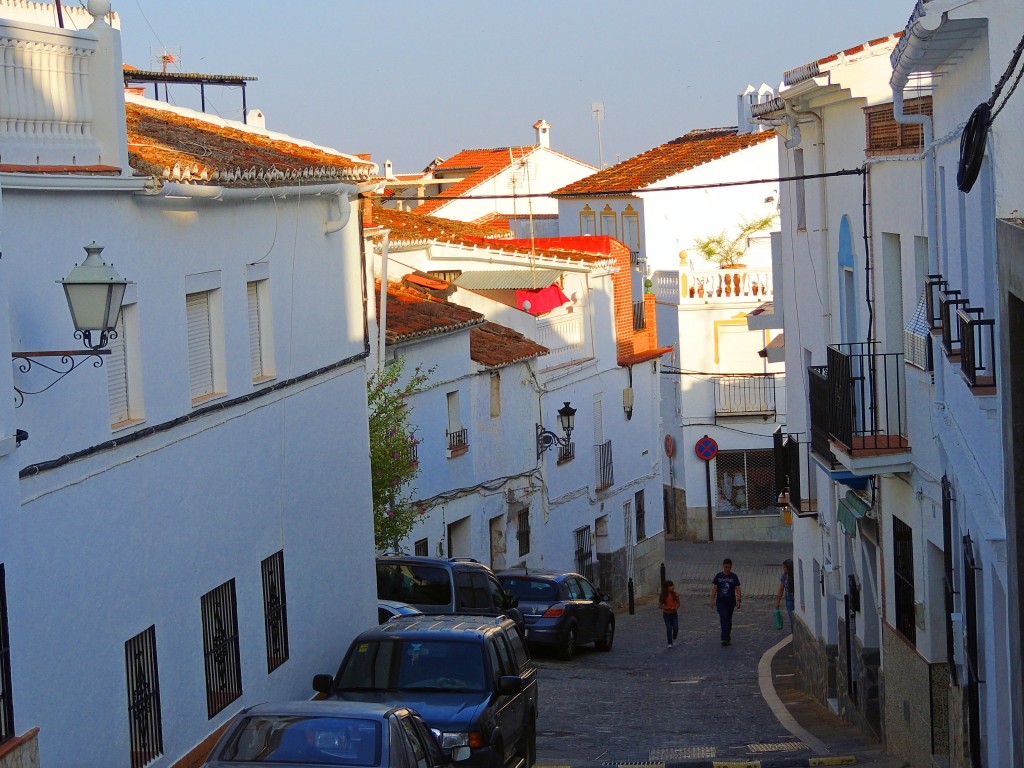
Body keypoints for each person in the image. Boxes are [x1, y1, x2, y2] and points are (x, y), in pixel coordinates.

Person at [710, 558, 741, 646]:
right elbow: (714, 588)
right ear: (723, 566)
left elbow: (738, 589)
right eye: (726, 567)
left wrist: (739, 600)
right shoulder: (719, 576)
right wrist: (712, 600)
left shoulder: (734, 577)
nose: (727, 569)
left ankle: (727, 636)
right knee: (723, 618)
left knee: (728, 620)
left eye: (729, 567)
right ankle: (724, 638)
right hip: (720, 602)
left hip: (730, 602)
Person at [659, 580, 680, 647]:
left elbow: (678, 603)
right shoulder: (663, 596)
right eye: (671, 586)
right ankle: (669, 643)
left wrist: (675, 607)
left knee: (676, 628)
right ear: (667, 588)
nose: (673, 587)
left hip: (674, 614)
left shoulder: (675, 594)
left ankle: (674, 637)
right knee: (669, 628)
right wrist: (666, 607)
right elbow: (660, 605)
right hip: (666, 615)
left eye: (672, 585)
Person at [775, 558, 795, 632]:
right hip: (789, 601)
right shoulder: (784, 576)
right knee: (792, 620)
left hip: (796, 600)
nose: (783, 569)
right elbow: (781, 589)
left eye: (784, 567)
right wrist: (778, 601)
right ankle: (794, 633)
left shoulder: (795, 575)